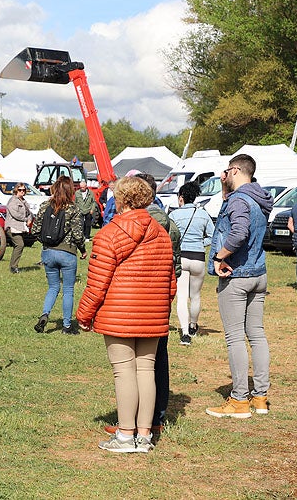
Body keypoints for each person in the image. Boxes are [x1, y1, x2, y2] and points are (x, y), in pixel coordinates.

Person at [76, 176, 177, 454]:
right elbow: (171, 282)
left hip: (120, 313)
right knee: (146, 370)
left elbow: (97, 283)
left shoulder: (109, 233)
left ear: (120, 199)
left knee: (124, 373)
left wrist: (84, 315)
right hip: (153, 313)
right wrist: (160, 307)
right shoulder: (161, 233)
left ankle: (124, 435)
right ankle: (144, 436)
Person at [206, 154, 274, 419]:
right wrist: (225, 191)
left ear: (234, 170)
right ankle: (260, 397)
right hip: (259, 273)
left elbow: (238, 231)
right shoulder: (260, 198)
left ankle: (238, 400)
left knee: (234, 337)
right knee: (256, 335)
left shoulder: (238, 200)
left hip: (236, 276)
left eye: (226, 172)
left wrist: (219, 256)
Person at [134, 172, 180, 433]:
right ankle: (157, 416)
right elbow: (177, 265)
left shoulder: (139, 223)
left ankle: (138, 419)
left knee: (136, 362)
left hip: (138, 298)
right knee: (158, 357)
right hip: (162, 296)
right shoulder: (170, 223)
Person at [31, 176, 86, 335]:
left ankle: (45, 314)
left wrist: (45, 243)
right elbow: (77, 234)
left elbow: (35, 230)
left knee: (53, 287)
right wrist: (82, 250)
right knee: (68, 289)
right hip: (67, 253)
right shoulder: (73, 209)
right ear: (71, 191)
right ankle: (67, 326)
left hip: (48, 252)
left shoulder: (44, 206)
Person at [168, 181, 215, 345]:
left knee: (181, 296)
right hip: (198, 257)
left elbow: (169, 236)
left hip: (181, 257)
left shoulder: (174, 215)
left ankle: (185, 333)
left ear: (181, 198)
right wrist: (200, 244)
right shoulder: (203, 214)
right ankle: (193, 325)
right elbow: (212, 235)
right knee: (195, 295)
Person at [5, 182, 32, 274]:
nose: (22, 192)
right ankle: (13, 267)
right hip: (12, 226)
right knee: (19, 244)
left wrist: (29, 219)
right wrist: (25, 219)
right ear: (16, 190)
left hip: (20, 227)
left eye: (24, 190)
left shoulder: (24, 201)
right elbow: (15, 214)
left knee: (18, 245)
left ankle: (13, 266)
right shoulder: (13, 201)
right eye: (20, 190)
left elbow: (29, 213)